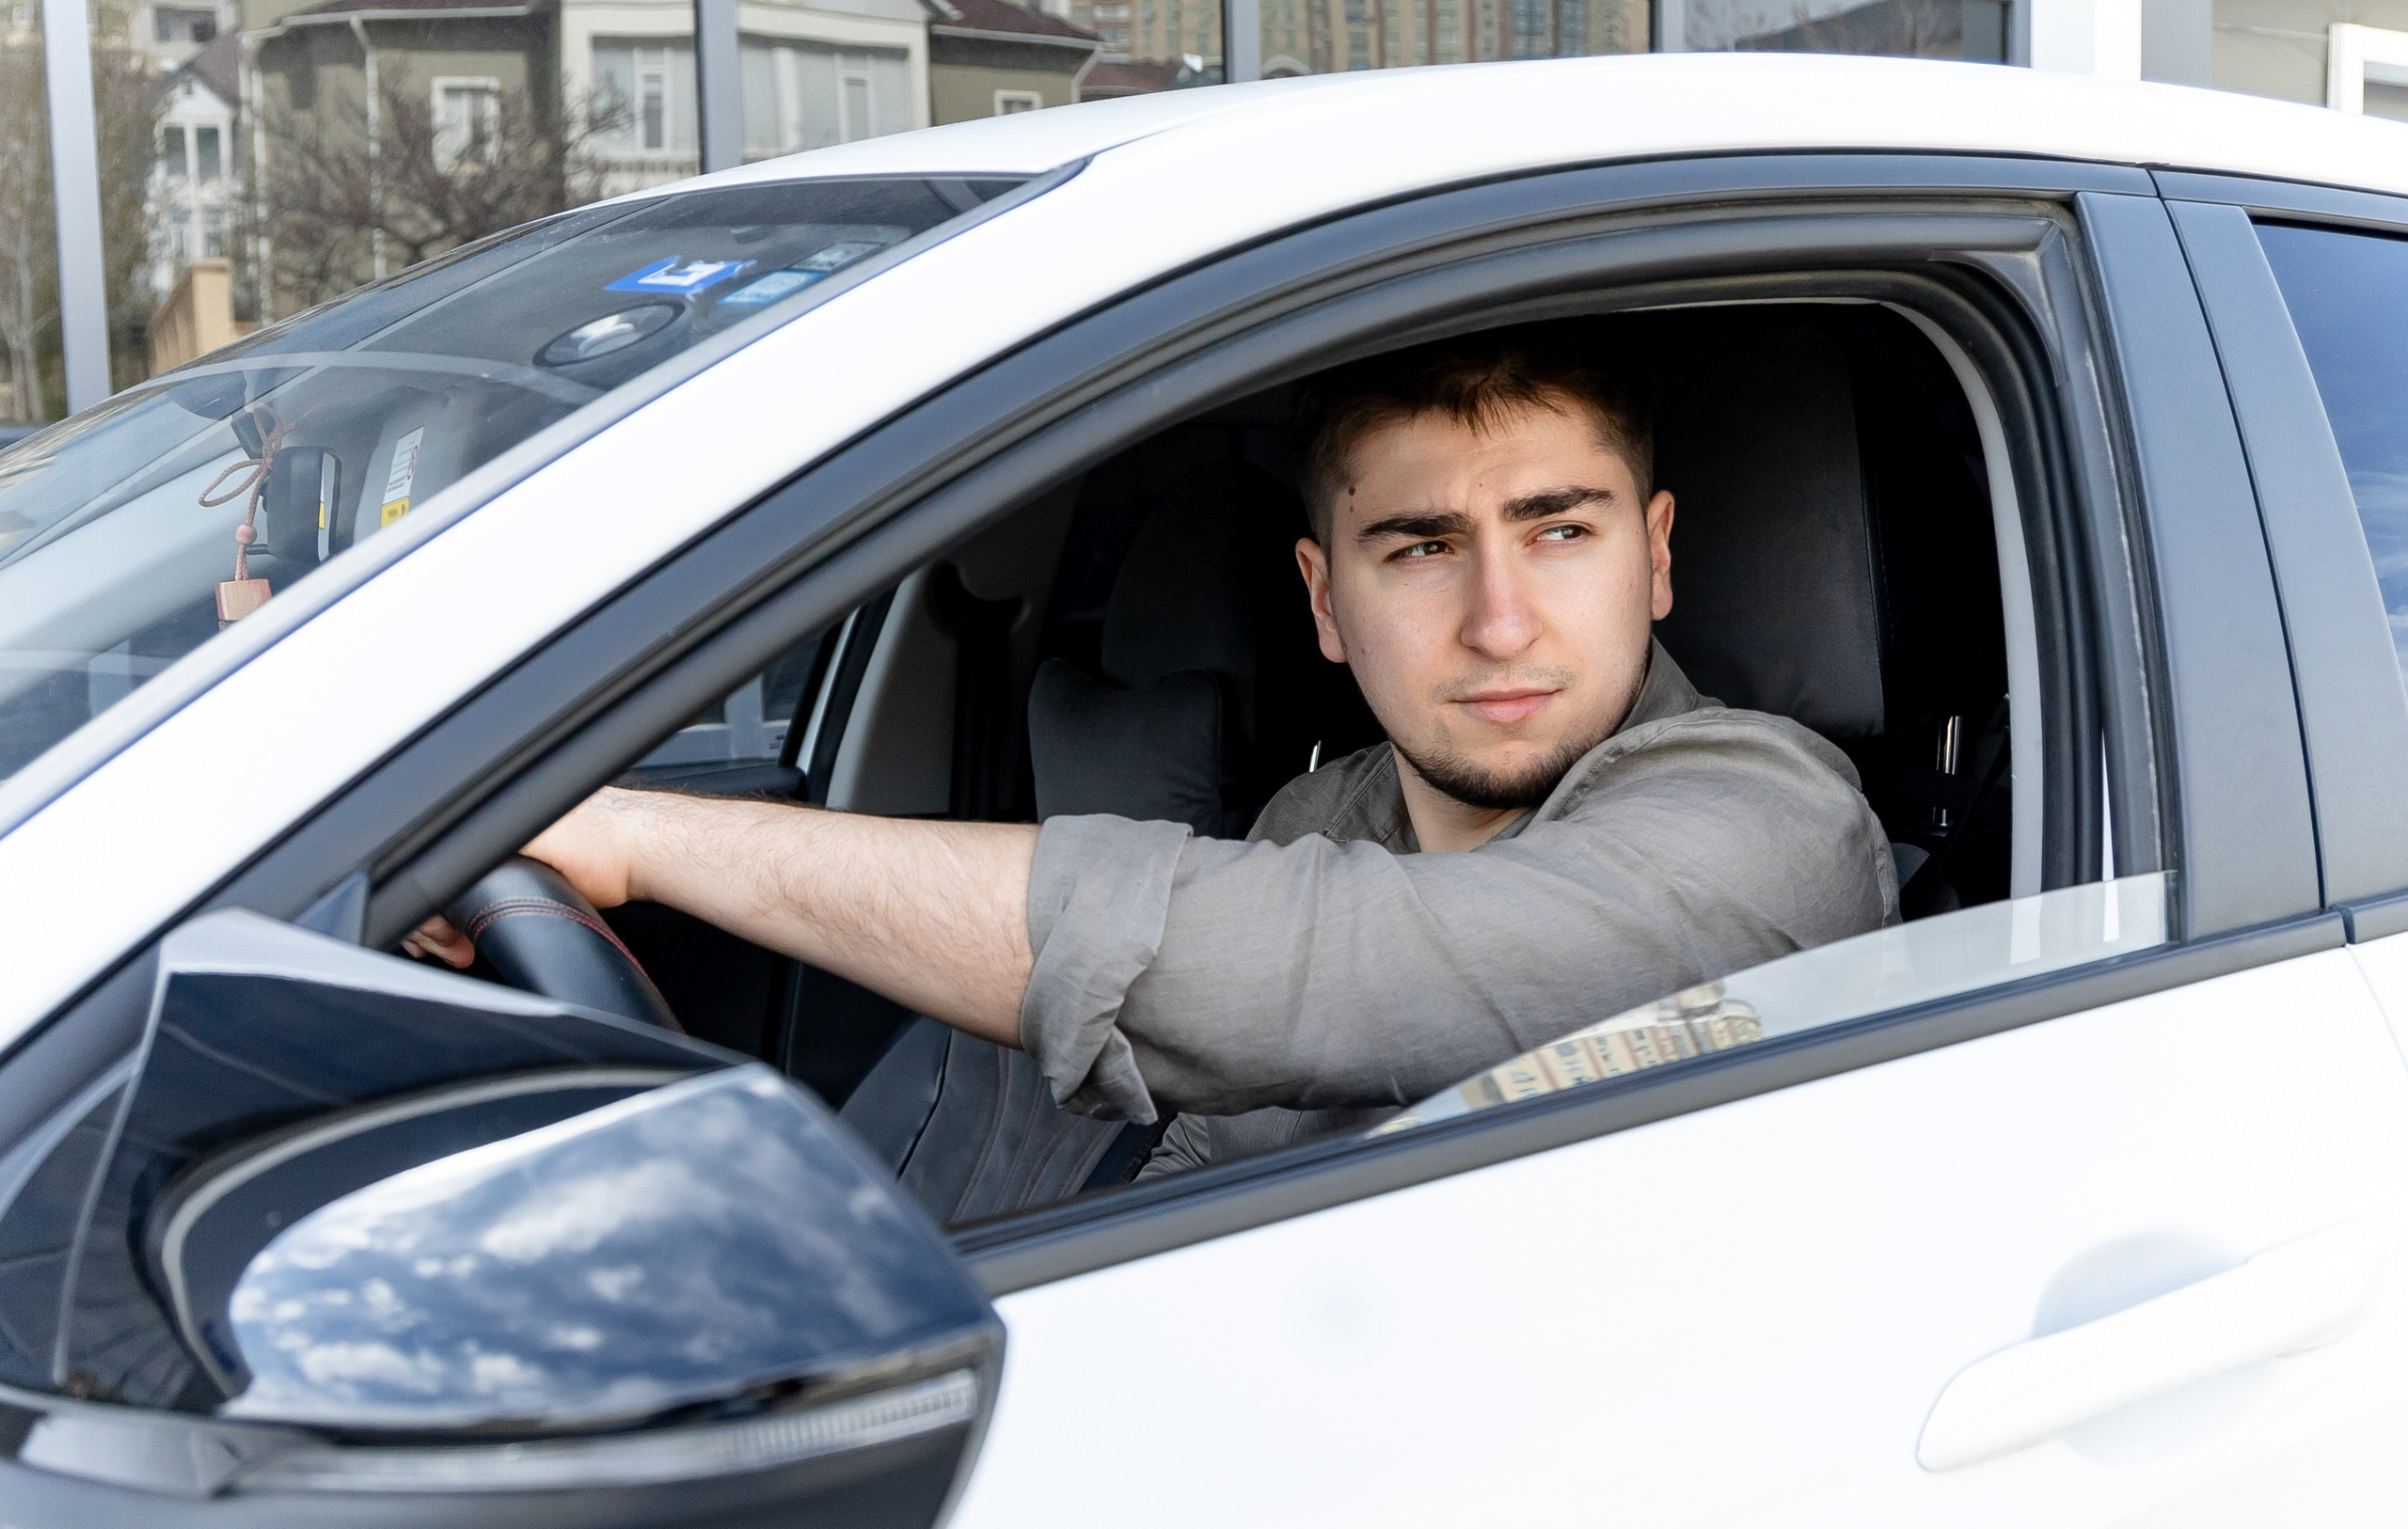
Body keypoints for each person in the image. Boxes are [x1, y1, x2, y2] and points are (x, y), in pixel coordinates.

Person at [409, 335, 1895, 1174]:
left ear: (1656, 560)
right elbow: (1186, 1166)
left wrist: (648, 838)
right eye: (1421, 548)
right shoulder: (1321, 813)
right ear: (1324, 601)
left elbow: (1323, 971)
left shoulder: (1768, 818)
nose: (1501, 621)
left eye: (1559, 532)